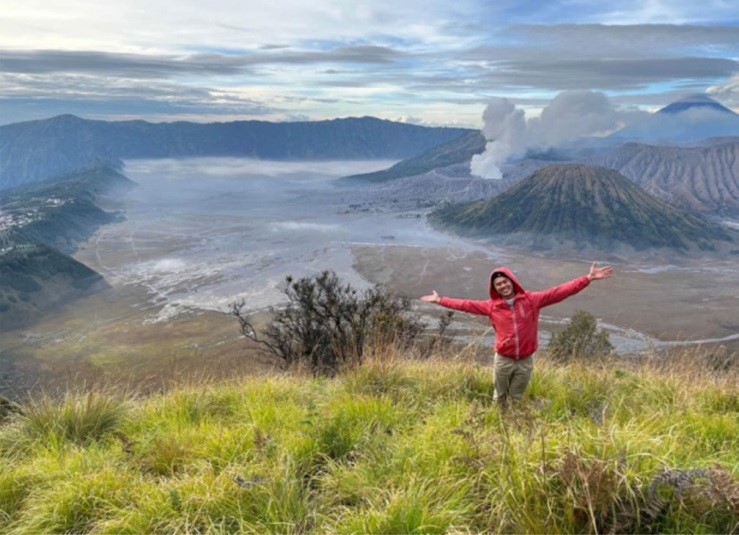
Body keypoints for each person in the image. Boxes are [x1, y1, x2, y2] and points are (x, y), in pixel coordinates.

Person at [420, 262, 613, 407]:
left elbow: (560, 292)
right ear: (494, 289)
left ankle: (514, 427)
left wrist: (587, 279)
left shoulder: (532, 300)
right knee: (499, 396)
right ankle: (497, 424)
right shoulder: (492, 306)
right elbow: (465, 305)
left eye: (505, 282)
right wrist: (440, 300)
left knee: (517, 397)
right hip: (503, 359)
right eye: (498, 285)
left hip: (525, 360)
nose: (503, 286)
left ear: (512, 282)